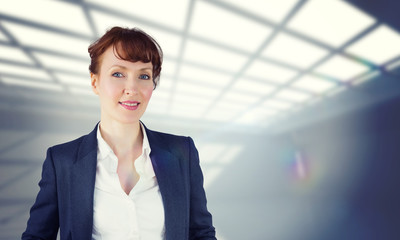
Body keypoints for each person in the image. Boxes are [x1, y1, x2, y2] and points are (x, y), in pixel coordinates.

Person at [22, 26, 216, 240]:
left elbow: (201, 233)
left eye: (144, 75)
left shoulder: (182, 152)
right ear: (95, 82)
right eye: (118, 73)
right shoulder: (63, 161)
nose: (132, 88)